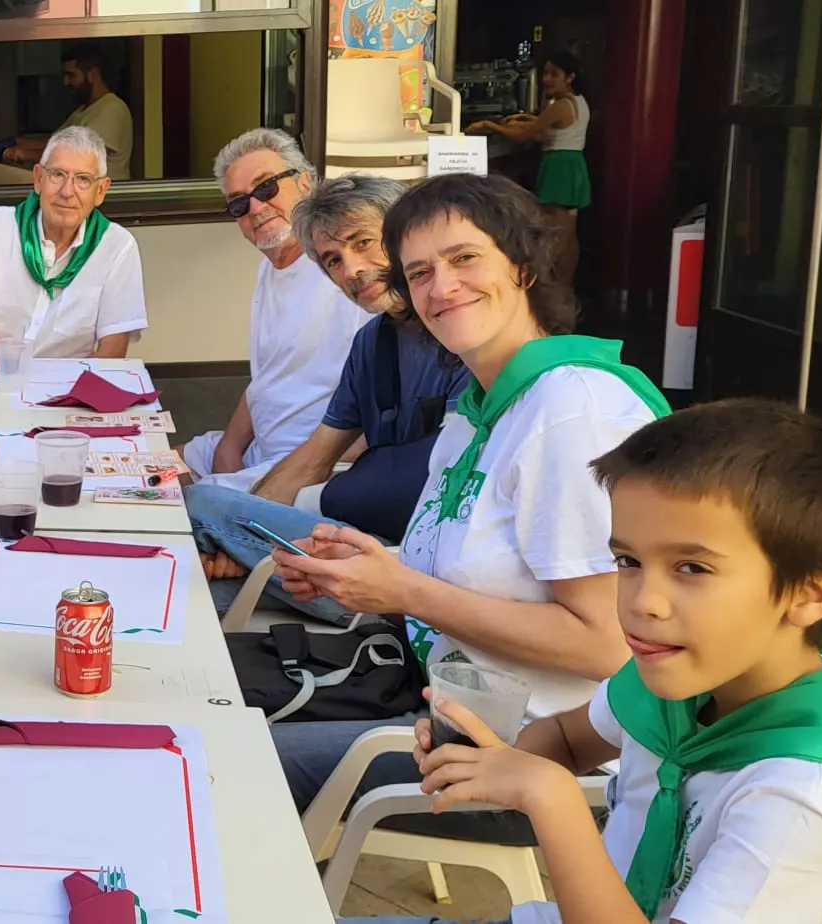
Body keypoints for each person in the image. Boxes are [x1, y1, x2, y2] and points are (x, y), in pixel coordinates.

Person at [351, 399, 822, 924]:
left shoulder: (804, 799)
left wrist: (552, 799)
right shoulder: (682, 684)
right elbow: (567, 740)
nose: (642, 602)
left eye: (692, 568)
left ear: (808, 593)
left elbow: (557, 785)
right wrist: (494, 760)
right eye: (629, 560)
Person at [266, 173, 668, 842]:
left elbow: (608, 645)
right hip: (436, 705)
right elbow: (461, 573)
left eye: (464, 259)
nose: (440, 287)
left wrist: (406, 592)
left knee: (221, 769)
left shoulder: (571, 412)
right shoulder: (475, 413)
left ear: (523, 265)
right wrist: (366, 574)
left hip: (523, 758)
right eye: (419, 272)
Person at [189, 174, 470, 622]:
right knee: (190, 599)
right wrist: (242, 530)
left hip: (416, 571)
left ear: (404, 235)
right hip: (353, 545)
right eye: (333, 261)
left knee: (199, 504)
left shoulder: (461, 336)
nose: (352, 270)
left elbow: (440, 489)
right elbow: (313, 459)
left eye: (363, 243)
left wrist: (235, 529)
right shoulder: (373, 342)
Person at [180, 129, 371, 492]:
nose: (255, 208)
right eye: (239, 203)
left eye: (266, 188)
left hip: (306, 470)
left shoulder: (346, 274)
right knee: (132, 472)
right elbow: (269, 378)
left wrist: (302, 483)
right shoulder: (270, 267)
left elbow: (381, 416)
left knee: (171, 512)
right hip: (259, 450)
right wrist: (230, 447)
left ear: (305, 183)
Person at [0, 125, 147, 360]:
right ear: (38, 179)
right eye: (57, 174)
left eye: (83, 180)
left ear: (100, 191)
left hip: (67, 388)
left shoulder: (117, 245)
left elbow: (112, 352)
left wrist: (73, 393)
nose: (67, 191)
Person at [469, 51, 590, 288]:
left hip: (559, 167)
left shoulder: (561, 105)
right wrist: (523, 119)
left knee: (558, 231)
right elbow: (542, 127)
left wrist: (488, 125)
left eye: (554, 74)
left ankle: (561, 287)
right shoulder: (579, 102)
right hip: (571, 165)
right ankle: (567, 286)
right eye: (545, 73)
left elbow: (526, 134)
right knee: (568, 231)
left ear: (570, 77)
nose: (547, 79)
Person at [0, 43, 134, 181]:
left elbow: (78, 155)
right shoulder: (83, 111)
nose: (65, 82)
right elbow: (54, 143)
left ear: (93, 75)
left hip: (105, 198)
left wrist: (23, 154)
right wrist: (15, 142)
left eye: (71, 75)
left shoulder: (112, 109)